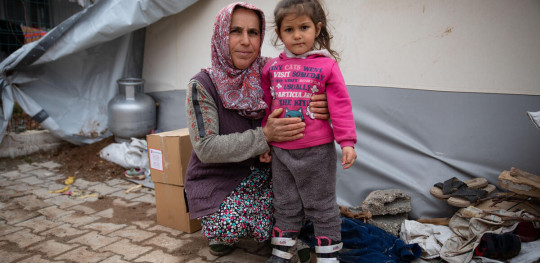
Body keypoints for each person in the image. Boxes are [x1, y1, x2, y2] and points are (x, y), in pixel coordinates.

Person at [184, 2, 329, 258]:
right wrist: (265, 136)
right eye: (235, 31)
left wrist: (322, 106)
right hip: (221, 181)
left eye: (253, 32)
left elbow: (316, 90)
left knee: (302, 197)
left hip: (269, 175)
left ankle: (280, 232)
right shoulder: (202, 84)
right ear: (220, 34)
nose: (245, 41)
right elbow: (206, 148)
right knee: (230, 224)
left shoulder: (275, 71)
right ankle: (230, 234)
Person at [259, 0, 357, 262]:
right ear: (279, 34)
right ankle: (281, 252)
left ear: (317, 28)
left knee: (321, 205)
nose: (297, 35)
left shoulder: (327, 66)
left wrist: (347, 141)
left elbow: (340, 105)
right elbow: (268, 108)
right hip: (281, 151)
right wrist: (264, 144)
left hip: (316, 151)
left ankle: (328, 256)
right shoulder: (271, 68)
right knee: (285, 203)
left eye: (304, 27)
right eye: (289, 30)